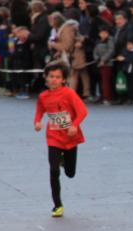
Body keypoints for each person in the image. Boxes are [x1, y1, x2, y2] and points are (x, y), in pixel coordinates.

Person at [33, 61, 89, 217]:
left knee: (70, 173)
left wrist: (75, 125)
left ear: (64, 79)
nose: (54, 80)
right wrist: (37, 122)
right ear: (46, 78)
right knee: (53, 170)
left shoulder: (69, 93)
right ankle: (57, 205)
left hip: (70, 137)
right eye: (51, 76)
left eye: (57, 77)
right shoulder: (43, 96)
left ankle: (64, 162)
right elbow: (40, 111)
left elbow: (83, 111)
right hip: (54, 137)